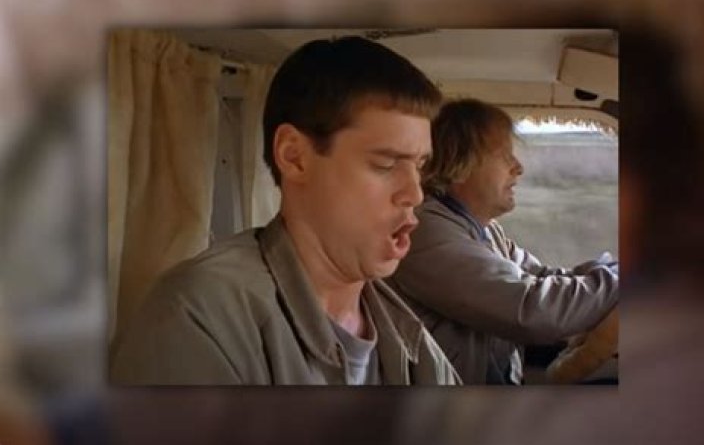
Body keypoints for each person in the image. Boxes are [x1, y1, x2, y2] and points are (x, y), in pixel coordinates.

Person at [110, 36, 459, 385]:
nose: (415, 193)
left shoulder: (410, 340)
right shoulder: (196, 319)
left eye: (420, 166)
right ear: (294, 157)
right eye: (385, 164)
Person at [387, 98, 618, 385]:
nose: (518, 168)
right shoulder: (426, 232)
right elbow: (530, 310)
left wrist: (615, 272)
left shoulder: (484, 230)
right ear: (461, 163)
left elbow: (543, 278)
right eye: (505, 156)